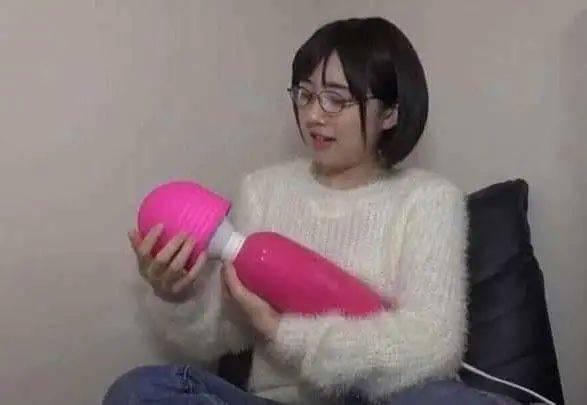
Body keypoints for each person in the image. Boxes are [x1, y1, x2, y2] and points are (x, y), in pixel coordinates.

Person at [104, 17, 520, 405]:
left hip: (381, 400)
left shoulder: (429, 200)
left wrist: (282, 332)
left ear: (390, 113)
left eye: (335, 99)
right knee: (140, 390)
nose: (313, 115)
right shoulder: (263, 190)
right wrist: (178, 296)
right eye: (304, 95)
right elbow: (224, 334)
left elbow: (433, 346)